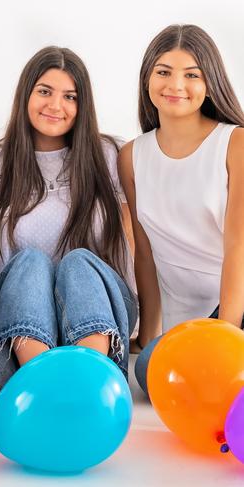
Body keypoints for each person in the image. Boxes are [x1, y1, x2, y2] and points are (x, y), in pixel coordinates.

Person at [0, 46, 136, 390]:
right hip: (20, 311)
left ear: (82, 105)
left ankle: (92, 383)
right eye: (44, 91)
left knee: (78, 262)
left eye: (69, 96)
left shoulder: (110, 155)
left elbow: (133, 242)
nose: (55, 105)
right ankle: (38, 383)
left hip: (100, 307)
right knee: (29, 261)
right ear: (25, 94)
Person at [118, 25, 244, 395]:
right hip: (185, 321)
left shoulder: (234, 142)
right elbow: (145, 254)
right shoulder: (132, 156)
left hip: (233, 309)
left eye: (192, 74)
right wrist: (148, 335)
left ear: (210, 82)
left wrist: (225, 335)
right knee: (149, 372)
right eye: (163, 72)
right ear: (147, 80)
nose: (176, 85)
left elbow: (238, 246)